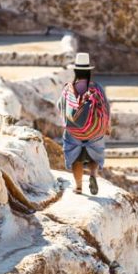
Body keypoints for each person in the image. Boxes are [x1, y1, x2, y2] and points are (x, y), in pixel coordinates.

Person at [57, 53, 111, 195]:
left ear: (75, 71)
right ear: (89, 71)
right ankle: (93, 174)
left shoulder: (68, 89)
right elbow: (106, 108)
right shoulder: (97, 88)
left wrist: (69, 122)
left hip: (74, 132)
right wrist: (106, 126)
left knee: (76, 159)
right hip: (94, 131)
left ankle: (79, 186)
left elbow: (60, 106)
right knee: (95, 155)